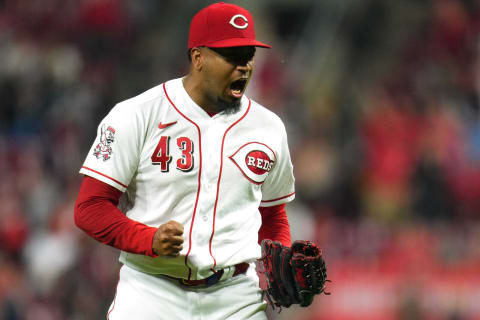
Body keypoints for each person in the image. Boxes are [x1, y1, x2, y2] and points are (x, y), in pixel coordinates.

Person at [74, 2, 295, 319]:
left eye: (248, 55)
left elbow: (272, 215)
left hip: (234, 295)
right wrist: (148, 239)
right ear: (198, 57)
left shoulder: (269, 127)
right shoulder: (136, 114)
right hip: (151, 290)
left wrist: (281, 259)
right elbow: (89, 208)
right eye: (231, 56)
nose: (243, 66)